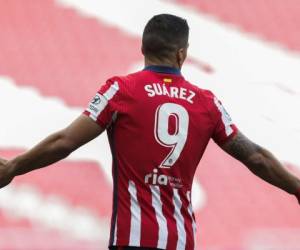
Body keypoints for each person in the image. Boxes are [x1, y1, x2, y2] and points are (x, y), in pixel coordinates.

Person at [0, 14, 299, 250]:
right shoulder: (207, 103)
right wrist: (296, 187)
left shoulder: (121, 90)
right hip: (180, 240)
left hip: (131, 239)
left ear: (143, 48)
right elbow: (256, 157)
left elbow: (65, 141)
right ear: (182, 54)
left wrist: (15, 166)